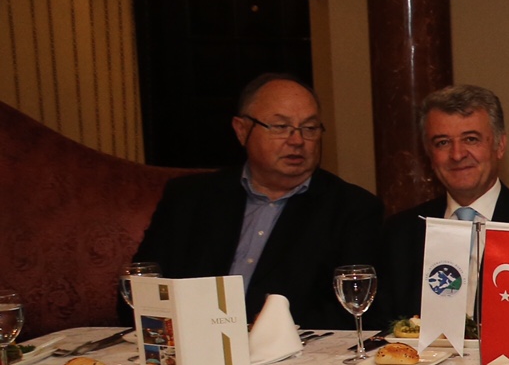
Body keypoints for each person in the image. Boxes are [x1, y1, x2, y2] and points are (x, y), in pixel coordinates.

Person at [130, 73, 383, 329]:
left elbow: (354, 311)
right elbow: (142, 290)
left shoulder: (353, 209)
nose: (297, 140)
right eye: (280, 127)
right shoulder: (189, 198)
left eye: (309, 128)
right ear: (242, 130)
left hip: (294, 348)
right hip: (190, 340)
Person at [380, 85, 509, 333]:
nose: (457, 155)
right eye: (443, 142)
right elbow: (382, 325)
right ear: (429, 155)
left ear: (500, 145)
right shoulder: (401, 232)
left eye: (471, 139)